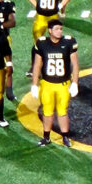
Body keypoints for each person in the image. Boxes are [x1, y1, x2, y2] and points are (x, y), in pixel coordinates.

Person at [29, 19, 78, 147]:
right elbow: (37, 65)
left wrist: (75, 82)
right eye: (57, 29)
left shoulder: (68, 42)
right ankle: (46, 137)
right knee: (47, 111)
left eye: (61, 29)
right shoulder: (42, 43)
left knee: (62, 111)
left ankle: (65, 137)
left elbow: (75, 64)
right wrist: (34, 84)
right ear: (50, 31)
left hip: (63, 83)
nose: (60, 31)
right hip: (47, 83)